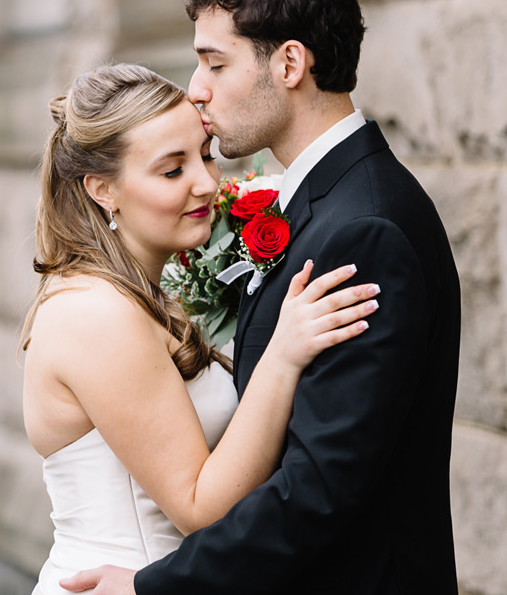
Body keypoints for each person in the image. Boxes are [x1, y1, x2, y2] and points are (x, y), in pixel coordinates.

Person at [61, 0, 461, 594]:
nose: (196, 90)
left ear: (290, 64)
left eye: (215, 63)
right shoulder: (323, 204)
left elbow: (318, 487)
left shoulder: (364, 230)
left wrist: (151, 588)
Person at [20, 62, 381, 595]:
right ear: (102, 189)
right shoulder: (96, 314)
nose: (207, 182)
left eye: (205, 155)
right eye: (172, 170)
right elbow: (199, 509)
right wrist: (283, 354)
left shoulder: (138, 293)